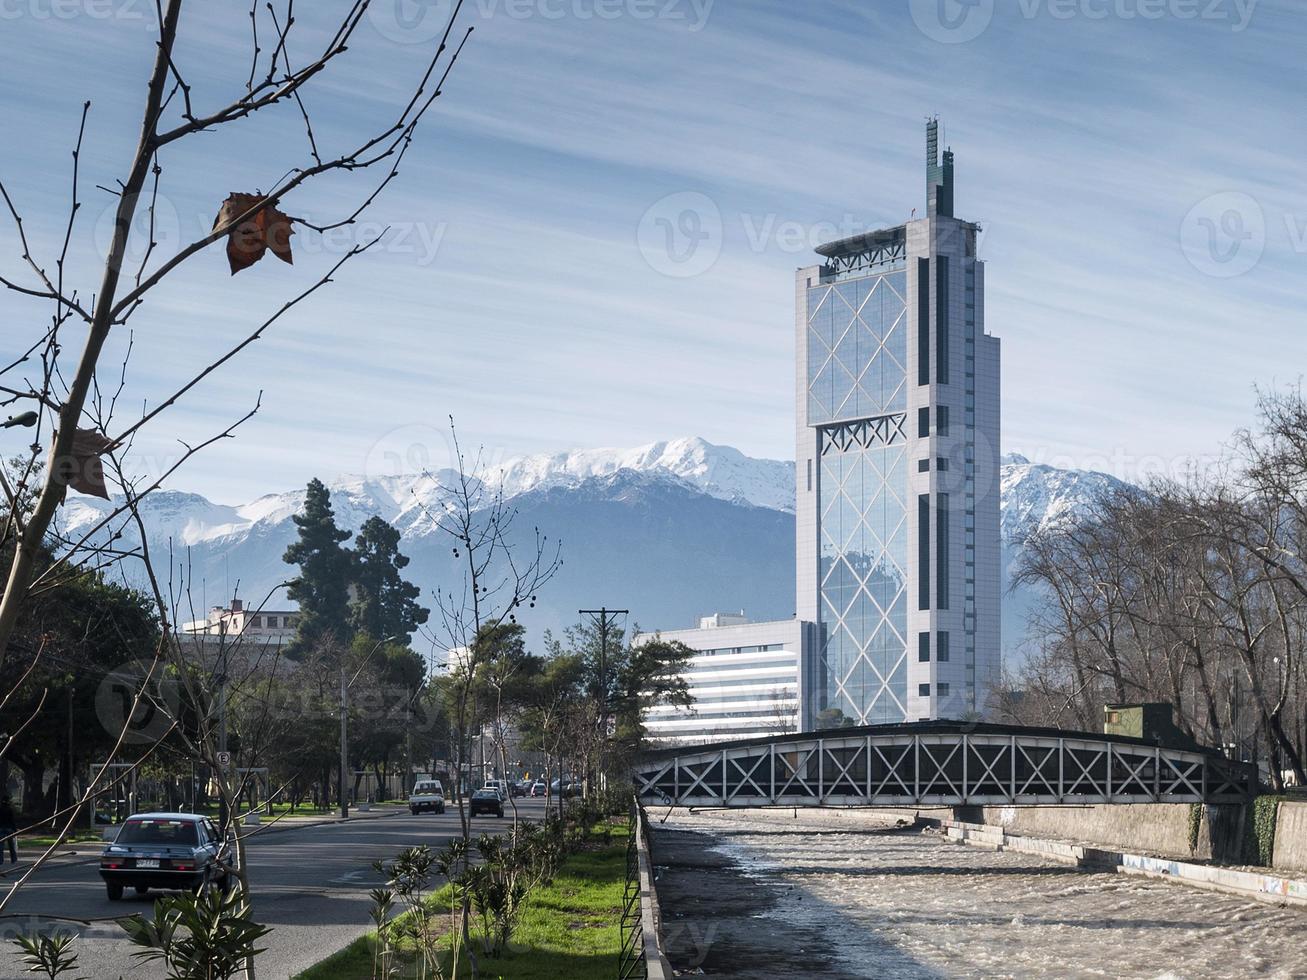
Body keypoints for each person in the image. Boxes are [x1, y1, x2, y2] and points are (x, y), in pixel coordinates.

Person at [0, 796, 17, 864]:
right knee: (11, 845)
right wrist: (15, 830)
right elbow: (12, 821)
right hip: (9, 828)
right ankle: (13, 859)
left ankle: (0, 860)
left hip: (1, 828)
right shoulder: (9, 809)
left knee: (1, 846)